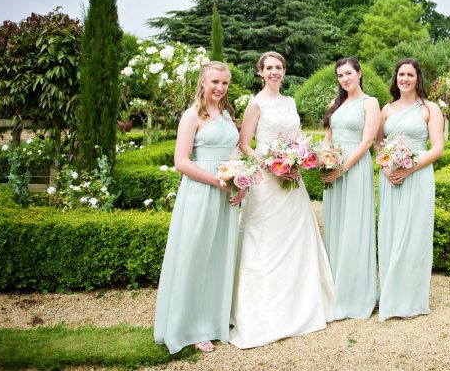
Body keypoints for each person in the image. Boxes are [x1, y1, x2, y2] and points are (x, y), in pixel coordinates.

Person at [229, 51, 335, 349]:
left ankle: (300, 305)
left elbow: (297, 137)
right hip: (266, 181)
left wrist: (299, 158)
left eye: (279, 67)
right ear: (260, 72)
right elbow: (245, 144)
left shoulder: (290, 102)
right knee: (266, 239)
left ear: (284, 71)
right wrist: (271, 165)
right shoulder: (256, 103)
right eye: (269, 68)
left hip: (292, 179)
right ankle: (262, 312)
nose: (274, 72)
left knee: (296, 236)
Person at [154, 61, 243, 354]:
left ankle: (214, 321)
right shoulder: (191, 115)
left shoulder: (228, 115)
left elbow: (235, 152)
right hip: (201, 192)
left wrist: (241, 181)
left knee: (219, 256)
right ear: (203, 82)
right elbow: (181, 161)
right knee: (195, 255)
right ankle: (190, 326)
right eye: (215, 82)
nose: (220, 88)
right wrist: (217, 181)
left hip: (227, 194)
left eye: (225, 83)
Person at [375, 58, 444, 322]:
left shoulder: (429, 108)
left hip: (418, 176)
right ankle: (389, 293)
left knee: (414, 234)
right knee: (391, 232)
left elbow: (437, 148)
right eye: (401, 74)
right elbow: (378, 143)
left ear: (418, 79)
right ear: (396, 78)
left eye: (410, 75)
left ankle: (411, 299)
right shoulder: (387, 109)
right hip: (390, 177)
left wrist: (409, 168)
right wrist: (385, 168)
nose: (405, 79)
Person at [321, 57, 381, 319]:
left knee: (354, 225)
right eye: (340, 75)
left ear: (359, 73)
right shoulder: (335, 103)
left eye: (348, 73)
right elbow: (328, 137)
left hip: (354, 168)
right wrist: (324, 160)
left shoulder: (370, 102)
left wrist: (342, 168)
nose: (344, 79)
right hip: (333, 167)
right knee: (335, 223)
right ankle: (334, 289)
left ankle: (355, 293)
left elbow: (367, 141)